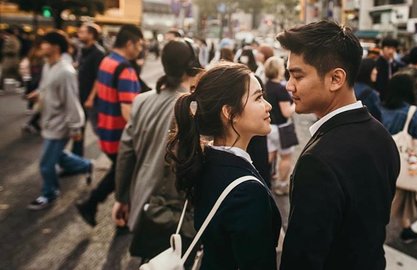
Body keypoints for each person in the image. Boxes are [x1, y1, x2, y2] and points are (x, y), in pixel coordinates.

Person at [277, 20, 400, 270]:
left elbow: (303, 258)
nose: (289, 85)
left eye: (297, 75)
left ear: (335, 78)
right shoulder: (382, 136)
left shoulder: (318, 161)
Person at [166, 62, 281, 269]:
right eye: (258, 97)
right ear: (229, 113)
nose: (268, 105)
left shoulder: (206, 161)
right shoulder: (246, 190)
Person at [113, 40, 202, 262]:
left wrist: (121, 198)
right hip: (175, 210)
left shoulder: (142, 101)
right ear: (191, 64)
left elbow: (126, 154)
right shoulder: (191, 107)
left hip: (142, 199)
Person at [75, 24, 143, 227]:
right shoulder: (125, 69)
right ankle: (110, 212)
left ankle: (96, 206)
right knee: (124, 173)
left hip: (105, 130)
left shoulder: (107, 60)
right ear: (130, 44)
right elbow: (128, 111)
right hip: (120, 134)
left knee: (121, 172)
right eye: (139, 45)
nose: (140, 50)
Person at [26, 30, 92, 210]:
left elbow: (72, 101)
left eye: (45, 43)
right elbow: (46, 88)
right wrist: (38, 94)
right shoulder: (49, 66)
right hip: (49, 121)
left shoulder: (65, 72)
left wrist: (75, 127)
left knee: (46, 164)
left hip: (60, 125)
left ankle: (50, 193)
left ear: (55, 47)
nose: (41, 46)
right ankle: (87, 165)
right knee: (59, 156)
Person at [380, 74, 417, 243]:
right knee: (401, 198)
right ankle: (405, 230)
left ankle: (406, 229)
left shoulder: (380, 107)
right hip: (403, 164)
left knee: (381, 199)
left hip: (381, 160)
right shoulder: (413, 113)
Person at [72, 22, 106, 157]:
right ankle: (76, 158)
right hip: (79, 95)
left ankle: (113, 154)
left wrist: (91, 98)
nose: (79, 34)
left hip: (91, 99)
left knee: (99, 129)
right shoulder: (82, 49)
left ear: (91, 35)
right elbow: (79, 65)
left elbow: (99, 78)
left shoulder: (98, 52)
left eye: (83, 32)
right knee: (78, 128)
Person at [264, 56, 296, 195]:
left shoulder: (266, 85)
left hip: (270, 127)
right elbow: (287, 112)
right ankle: (282, 185)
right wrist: (296, 103)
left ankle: (264, 181)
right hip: (282, 128)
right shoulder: (281, 89)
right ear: (279, 70)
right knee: (286, 157)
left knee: (269, 156)